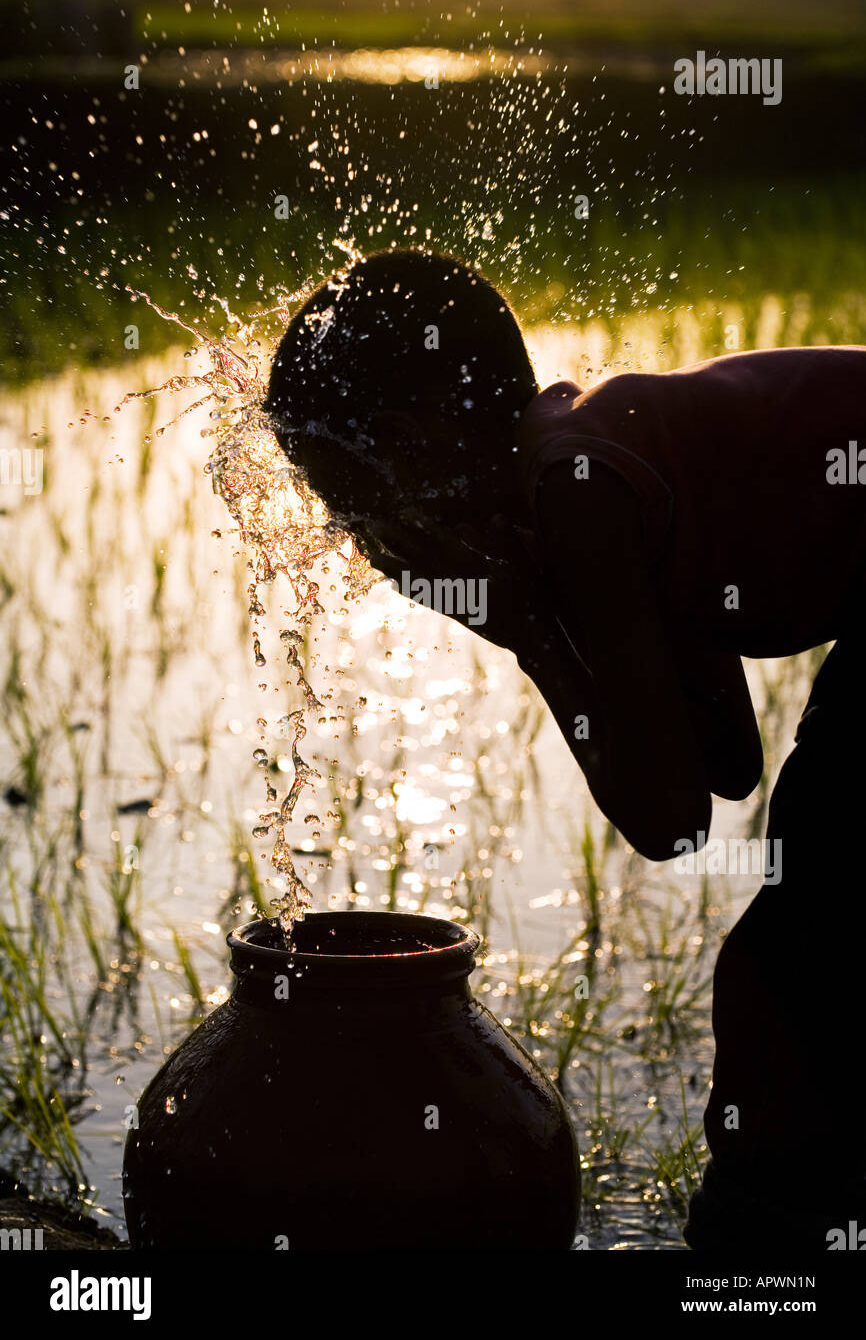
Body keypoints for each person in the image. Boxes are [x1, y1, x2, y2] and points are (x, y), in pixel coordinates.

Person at [266, 247, 866, 1250]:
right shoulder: (596, 462)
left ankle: (760, 1250)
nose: (345, 532)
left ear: (413, 447)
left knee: (791, 968)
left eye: (340, 491)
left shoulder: (579, 490)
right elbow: (725, 762)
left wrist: (524, 631)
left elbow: (669, 821)